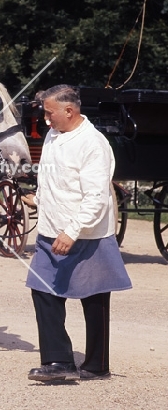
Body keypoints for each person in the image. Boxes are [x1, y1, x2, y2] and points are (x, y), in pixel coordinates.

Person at [22, 84, 132, 382]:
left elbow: (96, 196)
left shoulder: (93, 144)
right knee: (43, 289)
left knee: (94, 297)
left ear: (69, 111)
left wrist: (72, 231)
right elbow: (53, 180)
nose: (46, 119)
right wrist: (39, 199)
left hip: (86, 234)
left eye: (49, 113)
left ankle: (97, 365)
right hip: (50, 231)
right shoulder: (53, 136)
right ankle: (59, 362)